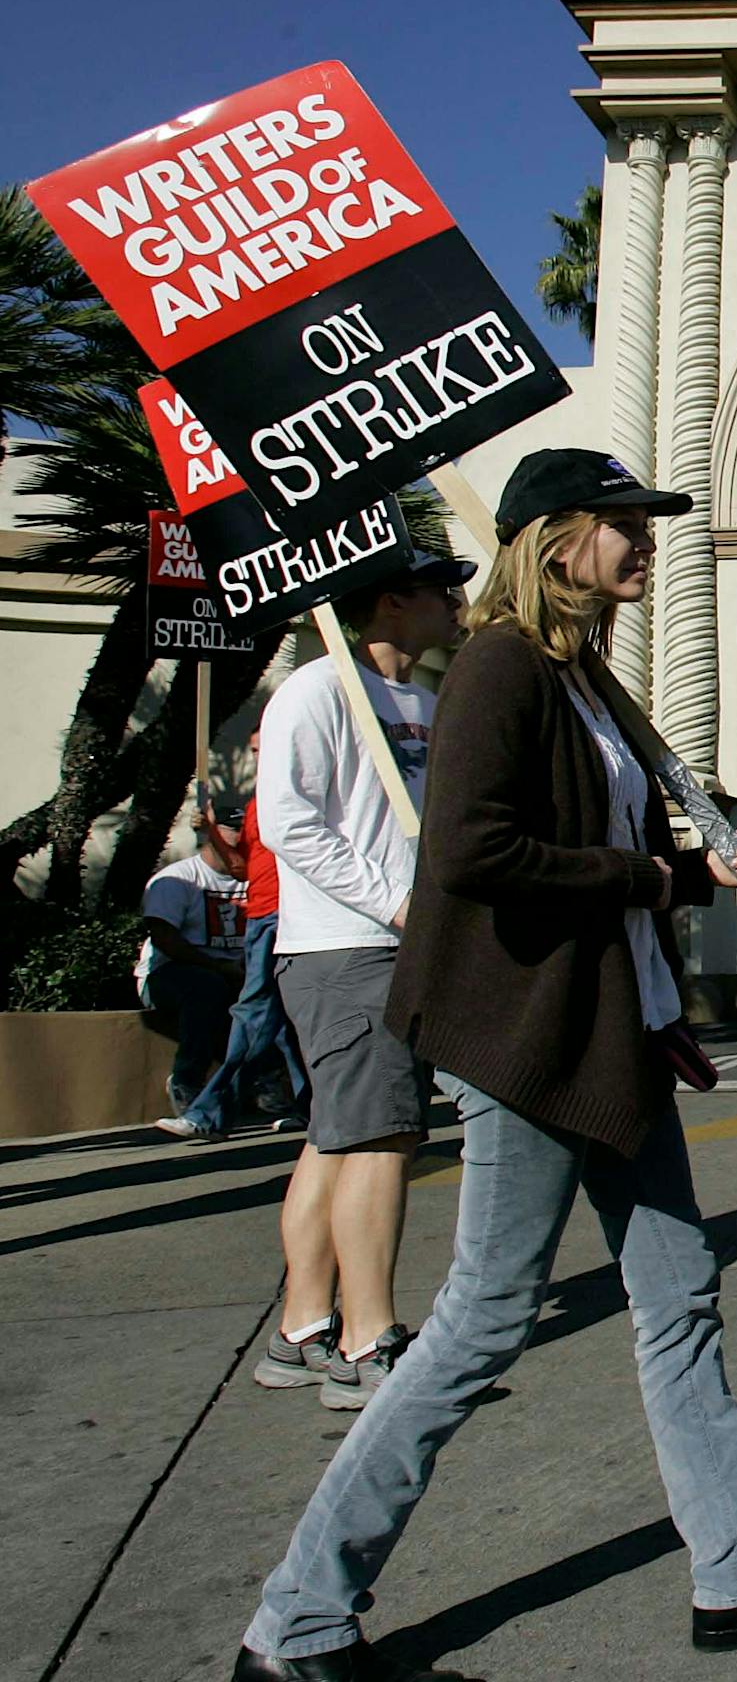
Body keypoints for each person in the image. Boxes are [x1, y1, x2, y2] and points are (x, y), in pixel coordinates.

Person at [232, 449, 737, 1680]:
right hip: (530, 1040)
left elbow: (608, 855)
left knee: (679, 1292)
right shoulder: (495, 665)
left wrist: (698, 870)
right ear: (556, 537)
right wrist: (648, 875)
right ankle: (298, 1617)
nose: (646, 542)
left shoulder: (582, 677)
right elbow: (473, 851)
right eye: (625, 523)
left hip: (613, 1030)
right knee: (480, 1322)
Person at [252, 551, 471, 1409]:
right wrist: (391, 903)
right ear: (390, 600)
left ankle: (302, 1327)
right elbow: (287, 823)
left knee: (339, 1135)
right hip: (345, 949)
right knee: (381, 1136)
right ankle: (366, 1341)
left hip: (402, 946)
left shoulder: (424, 701)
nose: (456, 604)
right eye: (439, 590)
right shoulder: (317, 690)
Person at [157, 748, 309, 1141]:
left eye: (262, 748)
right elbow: (244, 867)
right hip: (263, 917)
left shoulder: (297, 794)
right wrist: (210, 830)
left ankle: (209, 1113)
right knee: (270, 1016)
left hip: (285, 914)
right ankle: (307, 1108)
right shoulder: (258, 804)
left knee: (257, 1015)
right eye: (256, 749)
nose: (257, 755)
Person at [134, 813, 246, 1118]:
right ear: (211, 832)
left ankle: (267, 1084)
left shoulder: (256, 879)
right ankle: (187, 1081)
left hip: (235, 975)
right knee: (205, 988)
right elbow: (166, 939)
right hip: (169, 974)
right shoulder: (178, 879)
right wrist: (221, 968)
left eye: (247, 826)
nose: (242, 834)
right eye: (233, 828)